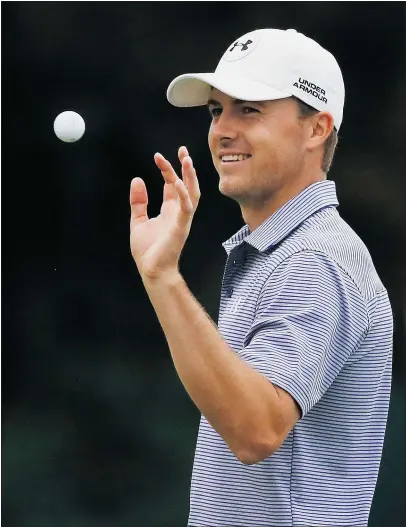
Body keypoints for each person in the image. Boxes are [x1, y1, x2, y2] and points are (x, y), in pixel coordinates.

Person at [129, 28, 393, 527]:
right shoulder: (281, 254)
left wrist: (164, 277)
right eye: (216, 110)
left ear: (316, 129)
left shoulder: (315, 260)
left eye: (249, 109)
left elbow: (255, 431)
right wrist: (157, 275)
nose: (222, 129)